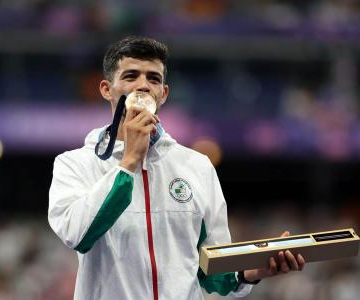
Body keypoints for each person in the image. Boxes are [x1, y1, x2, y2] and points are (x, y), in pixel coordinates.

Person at [48, 36, 305, 300]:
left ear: (164, 94)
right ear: (106, 89)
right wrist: (128, 163)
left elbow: (212, 269)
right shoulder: (74, 164)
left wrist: (251, 271)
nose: (143, 86)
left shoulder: (197, 166)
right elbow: (78, 235)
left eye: (153, 79)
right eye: (131, 76)